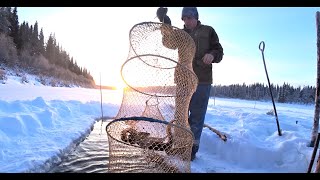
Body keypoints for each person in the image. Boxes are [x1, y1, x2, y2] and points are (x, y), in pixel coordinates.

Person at [157, 7, 224, 161]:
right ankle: (180, 145)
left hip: (203, 80)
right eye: (183, 19)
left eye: (188, 17)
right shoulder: (180, 34)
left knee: (197, 116)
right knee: (180, 115)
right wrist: (165, 23)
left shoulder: (208, 31)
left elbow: (219, 50)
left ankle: (191, 149)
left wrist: (212, 55)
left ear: (195, 16)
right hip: (183, 79)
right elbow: (168, 42)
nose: (186, 21)